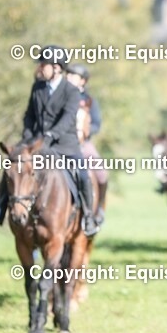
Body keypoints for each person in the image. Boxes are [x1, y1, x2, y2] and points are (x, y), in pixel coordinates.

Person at [0, 47, 100, 237]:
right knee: (13, 165)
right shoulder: (37, 87)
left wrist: (51, 135)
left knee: (83, 176)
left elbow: (68, 118)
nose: (40, 68)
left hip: (64, 145)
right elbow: (29, 115)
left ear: (57, 68)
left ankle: (88, 216)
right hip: (36, 144)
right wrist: (28, 135)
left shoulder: (71, 91)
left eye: (43, 65)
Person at [65, 62, 106, 228]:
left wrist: (87, 130)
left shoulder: (89, 100)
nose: (69, 78)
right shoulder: (62, 96)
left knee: (102, 173)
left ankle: (100, 208)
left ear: (83, 81)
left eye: (73, 76)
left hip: (84, 144)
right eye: (68, 75)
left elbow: (97, 123)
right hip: (64, 143)